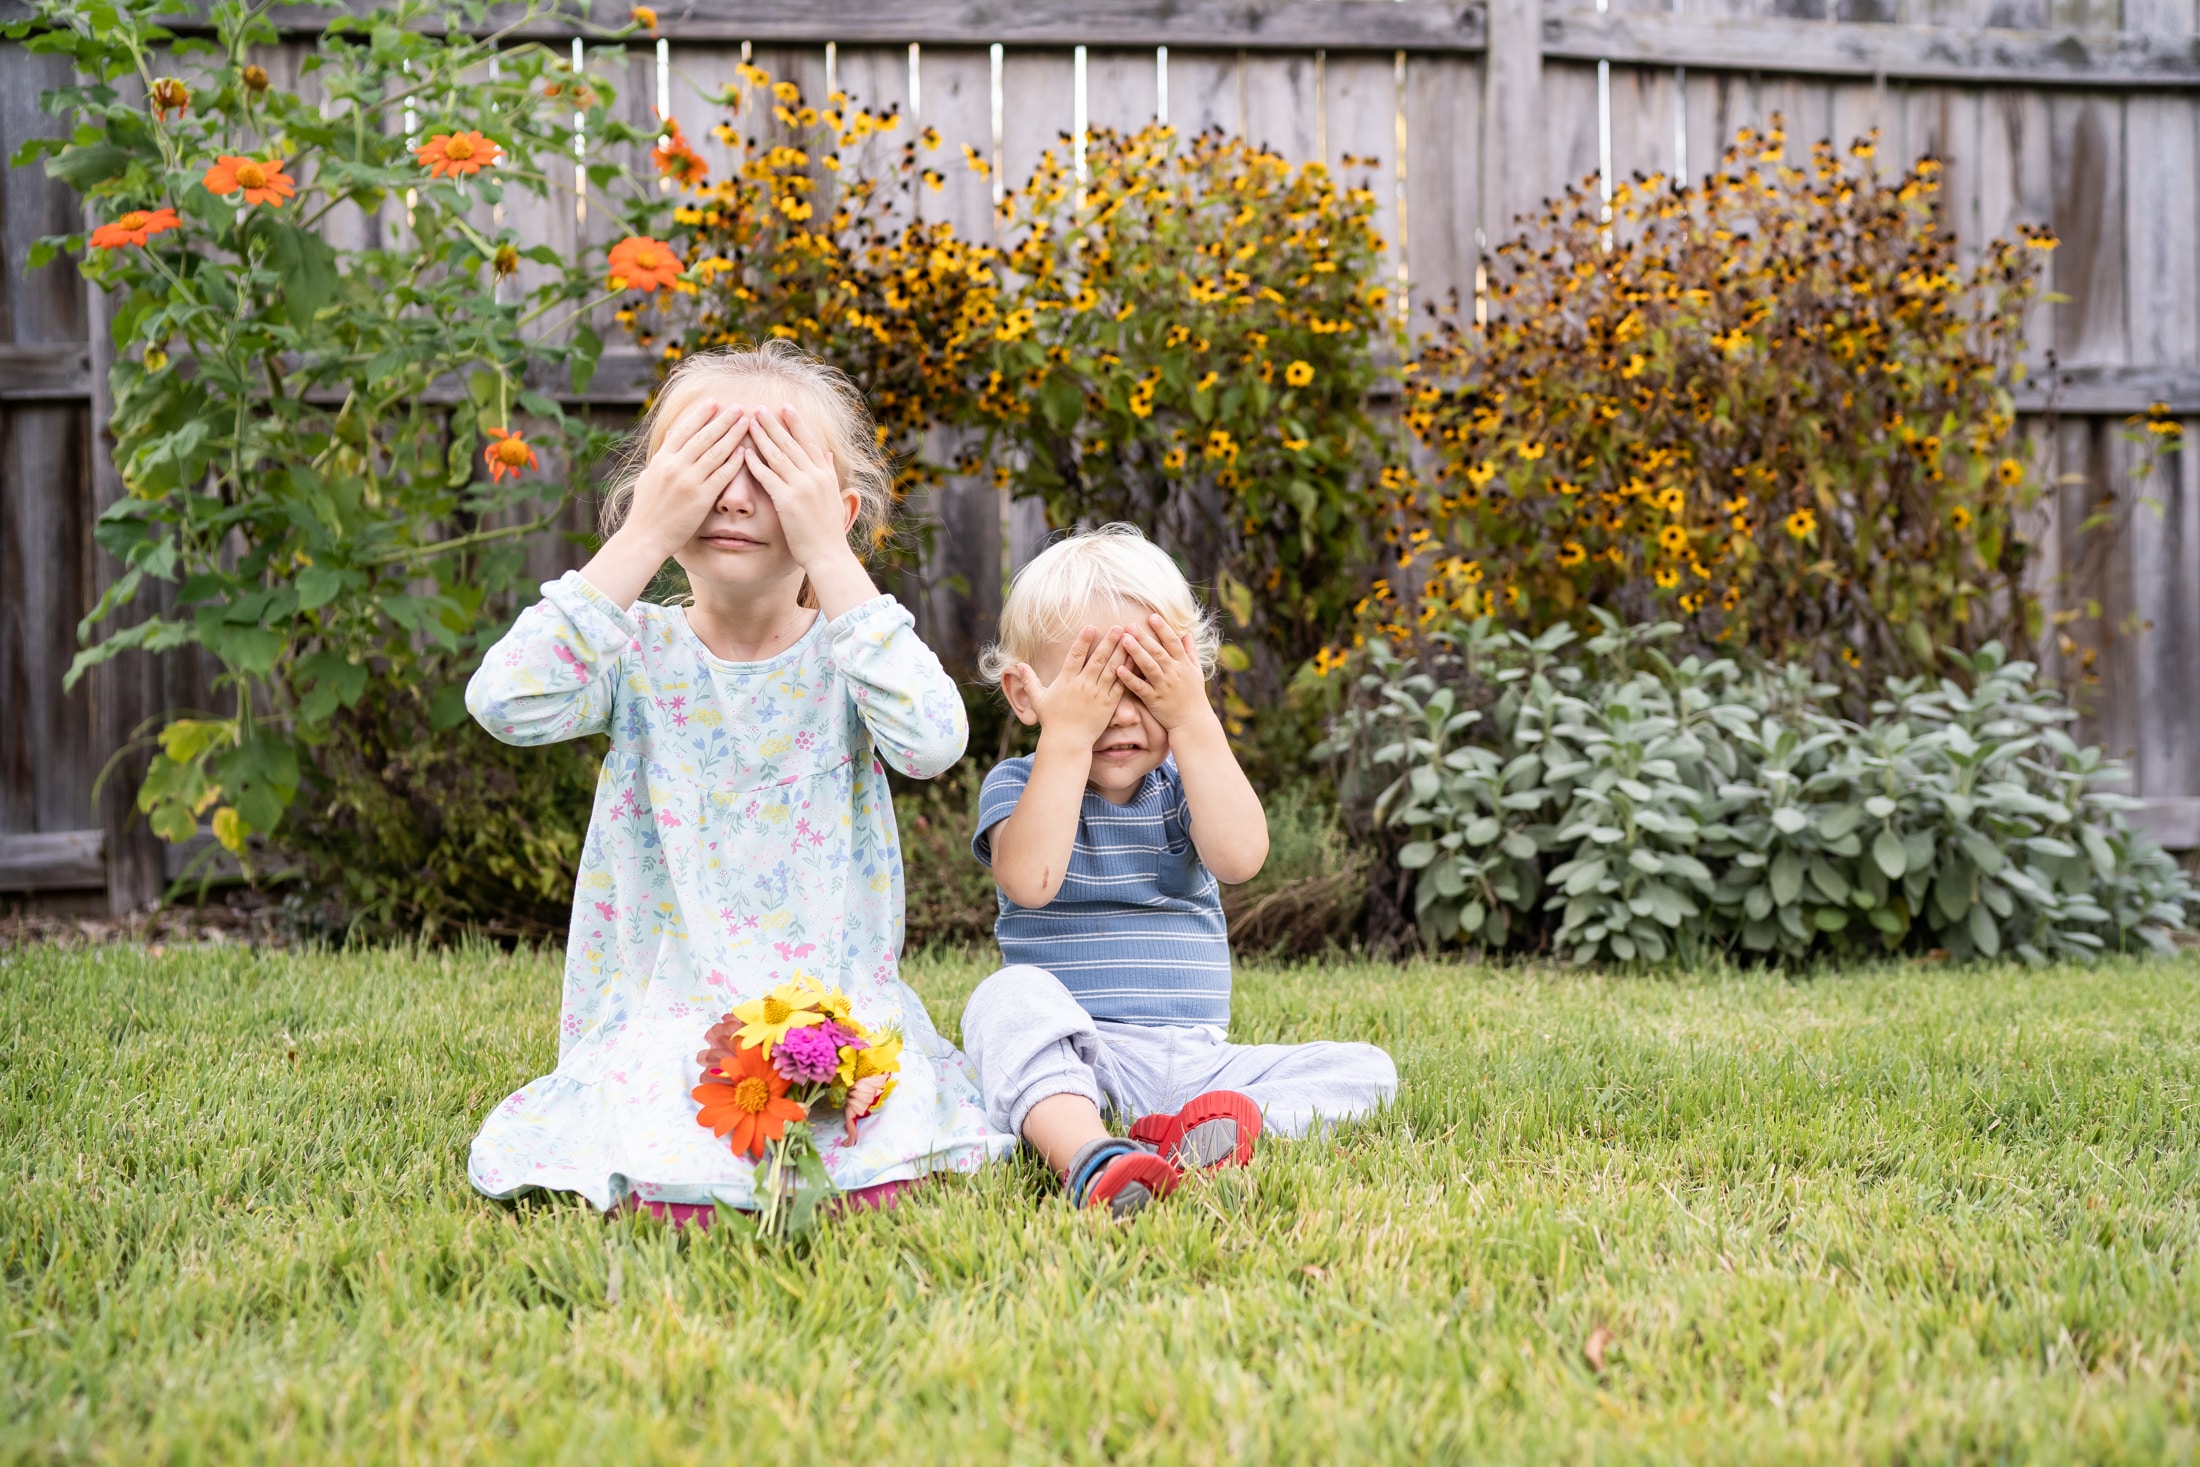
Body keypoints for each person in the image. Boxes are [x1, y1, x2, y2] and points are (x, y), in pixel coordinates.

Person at [465, 341, 1008, 1223]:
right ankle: (710, 1181)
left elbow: (935, 742)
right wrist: (641, 535)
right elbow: (503, 702)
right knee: (661, 1085)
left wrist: (833, 559)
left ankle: (764, 1174)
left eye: (772, 471)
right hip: (665, 1009)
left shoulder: (851, 657)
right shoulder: (634, 650)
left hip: (830, 1014)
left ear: (835, 511)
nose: (733, 495)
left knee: (884, 1095)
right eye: (707, 465)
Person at [962, 525, 1397, 1218]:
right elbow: (1031, 880)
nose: (1121, 715)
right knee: (1004, 1000)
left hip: (1197, 1068)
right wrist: (1067, 736)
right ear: (1024, 694)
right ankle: (1087, 1147)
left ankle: (1190, 1135)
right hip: (1085, 1060)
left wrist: (1193, 720)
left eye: (1144, 685)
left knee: (1369, 1072)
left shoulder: (1181, 782)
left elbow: (1240, 856)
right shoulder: (1019, 784)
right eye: (1093, 689)